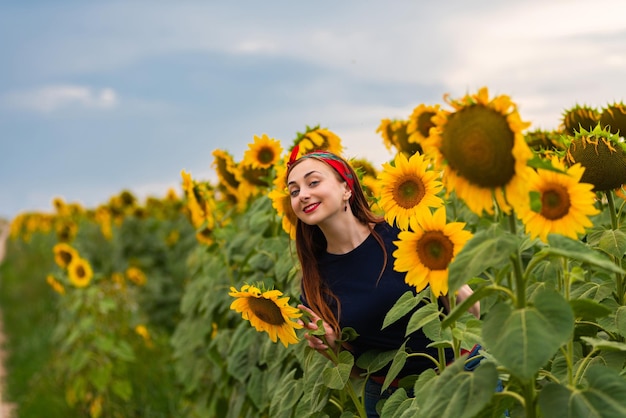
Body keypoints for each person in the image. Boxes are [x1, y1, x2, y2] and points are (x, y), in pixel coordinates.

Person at [286, 148, 479, 418]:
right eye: (294, 191)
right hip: (391, 400)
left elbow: (472, 312)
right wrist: (333, 348)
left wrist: (446, 277)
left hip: (463, 376)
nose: (302, 195)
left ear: (346, 188)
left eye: (313, 182)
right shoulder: (314, 284)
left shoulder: (402, 232)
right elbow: (357, 371)